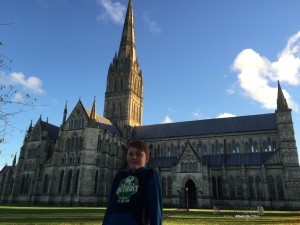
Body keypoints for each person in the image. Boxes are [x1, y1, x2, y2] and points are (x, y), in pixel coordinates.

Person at [102, 140, 163, 225]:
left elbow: (155, 207)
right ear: (126, 156)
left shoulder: (149, 175)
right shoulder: (119, 175)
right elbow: (110, 204)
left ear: (147, 158)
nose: (134, 157)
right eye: (130, 154)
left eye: (139, 154)